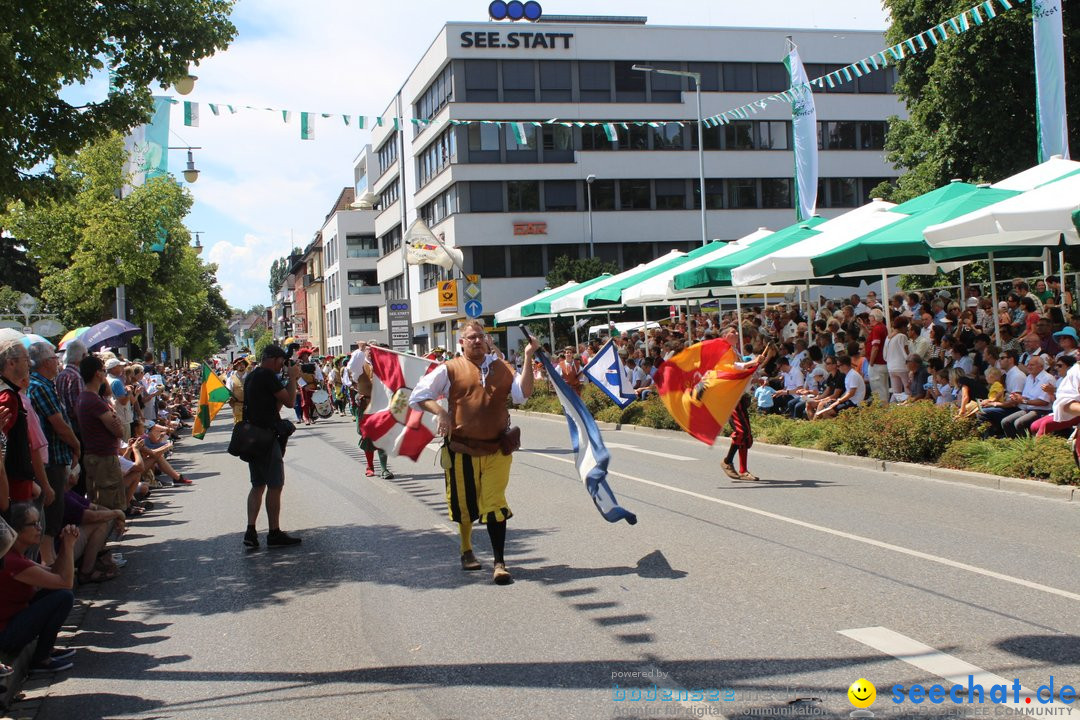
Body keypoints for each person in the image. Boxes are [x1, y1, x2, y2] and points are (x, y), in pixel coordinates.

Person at [409, 320, 539, 585]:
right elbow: (418, 396)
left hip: (497, 449)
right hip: (462, 449)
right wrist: (442, 411)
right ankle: (466, 549)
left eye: (480, 336)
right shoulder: (450, 369)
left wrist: (527, 357)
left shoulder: (501, 367)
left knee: (494, 503)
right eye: (471, 338)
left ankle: (499, 563)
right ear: (462, 343)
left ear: (487, 339)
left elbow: (523, 394)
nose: (477, 341)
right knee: (465, 505)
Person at [0, 503, 77, 674]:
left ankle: (47, 650)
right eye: (33, 524)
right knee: (64, 596)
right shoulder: (11, 561)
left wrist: (65, 544)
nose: (39, 528)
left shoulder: (16, 555)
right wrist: (70, 546)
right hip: (5, 634)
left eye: (39, 522)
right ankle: (41, 658)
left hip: (15, 618)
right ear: (18, 531)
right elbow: (65, 582)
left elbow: (55, 573)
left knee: (58, 593)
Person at [241, 344, 301, 548]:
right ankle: (274, 532)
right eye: (283, 362)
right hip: (266, 437)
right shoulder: (267, 376)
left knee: (257, 485)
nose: (283, 366)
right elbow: (291, 402)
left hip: (251, 437)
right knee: (275, 485)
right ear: (275, 359)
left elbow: (274, 405)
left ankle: (250, 531)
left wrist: (282, 386)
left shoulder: (252, 376)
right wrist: (292, 378)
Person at [27, 341, 81, 565]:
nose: (57, 362)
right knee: (51, 515)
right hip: (52, 461)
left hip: (54, 458)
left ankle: (51, 563)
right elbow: (59, 424)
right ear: (44, 362)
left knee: (53, 514)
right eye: (54, 358)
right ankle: (49, 565)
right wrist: (76, 446)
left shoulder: (44, 384)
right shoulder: (40, 386)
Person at [718, 326, 775, 481]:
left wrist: (756, 365)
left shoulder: (735, 352)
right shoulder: (723, 351)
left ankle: (743, 470)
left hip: (741, 396)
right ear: (724, 336)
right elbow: (731, 368)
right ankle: (728, 461)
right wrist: (752, 363)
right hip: (731, 397)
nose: (736, 333)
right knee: (741, 431)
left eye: (737, 331)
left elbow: (743, 373)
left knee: (746, 436)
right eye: (732, 332)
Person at [75, 355, 127, 511]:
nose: (106, 375)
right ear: (98, 373)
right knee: (111, 504)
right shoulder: (94, 401)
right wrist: (115, 419)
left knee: (100, 502)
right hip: (103, 459)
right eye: (104, 371)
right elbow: (118, 430)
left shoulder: (84, 398)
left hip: (94, 456)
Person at [345, 342, 392, 479]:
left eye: (374, 350)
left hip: (382, 405)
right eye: (369, 350)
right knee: (366, 435)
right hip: (365, 405)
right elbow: (351, 368)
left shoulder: (384, 365)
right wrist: (360, 350)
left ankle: (384, 468)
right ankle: (370, 466)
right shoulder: (360, 365)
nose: (371, 352)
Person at [813, 355, 866, 419]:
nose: (837, 368)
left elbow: (851, 393)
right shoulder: (849, 374)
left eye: (838, 366)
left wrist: (839, 401)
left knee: (825, 413)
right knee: (824, 411)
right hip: (850, 401)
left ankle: (840, 426)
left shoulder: (853, 375)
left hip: (855, 403)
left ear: (844, 366)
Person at [227, 357, 248, 424]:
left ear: (245, 365)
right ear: (235, 367)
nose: (241, 366)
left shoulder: (251, 376)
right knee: (239, 428)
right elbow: (229, 392)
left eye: (242, 364)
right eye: (238, 364)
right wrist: (231, 401)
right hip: (237, 407)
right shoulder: (231, 379)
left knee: (251, 429)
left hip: (250, 406)